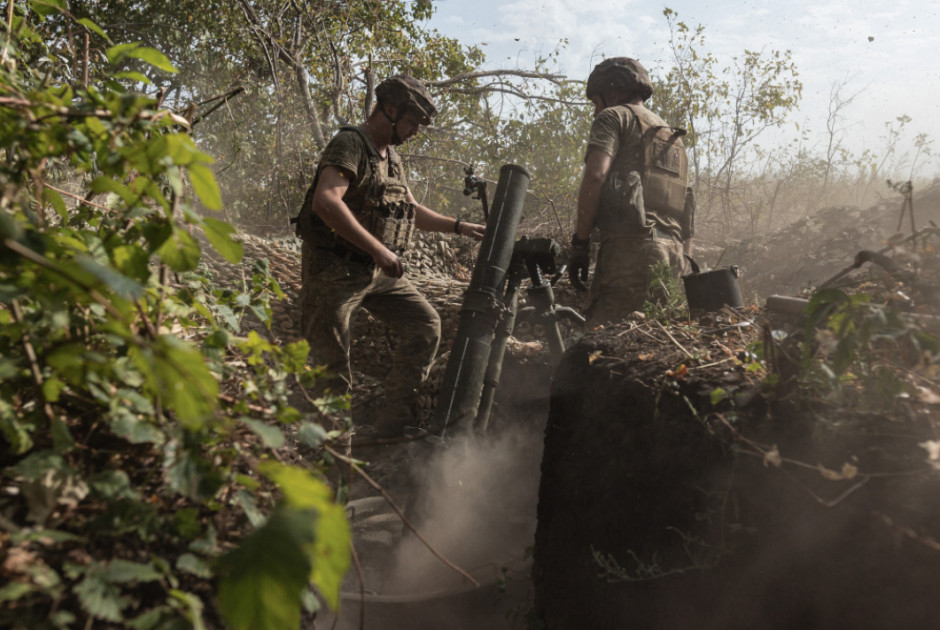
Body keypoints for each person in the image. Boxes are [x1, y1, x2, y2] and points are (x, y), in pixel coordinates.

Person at [295, 74, 485, 437]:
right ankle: (329, 474)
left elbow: (412, 210)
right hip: (333, 274)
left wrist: (459, 227)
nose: (414, 131)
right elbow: (326, 201)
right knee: (330, 375)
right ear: (391, 109)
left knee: (425, 324)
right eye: (412, 122)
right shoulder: (351, 143)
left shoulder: (392, 158)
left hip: (373, 274)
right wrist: (380, 250)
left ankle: (392, 425)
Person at [568, 57, 695, 326]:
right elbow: (687, 208)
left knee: (603, 344)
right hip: (672, 254)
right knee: (651, 341)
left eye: (596, 103)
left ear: (612, 92)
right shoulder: (672, 137)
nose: (595, 112)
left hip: (630, 250)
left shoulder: (613, 116)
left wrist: (580, 244)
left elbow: (595, 175)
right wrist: (684, 260)